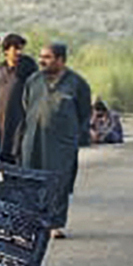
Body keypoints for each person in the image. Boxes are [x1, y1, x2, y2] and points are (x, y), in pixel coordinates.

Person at [20, 41, 92, 238]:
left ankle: (55, 224)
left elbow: (84, 113)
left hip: (62, 143)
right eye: (41, 57)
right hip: (33, 140)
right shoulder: (33, 80)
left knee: (59, 183)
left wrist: (77, 138)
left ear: (61, 60)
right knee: (32, 181)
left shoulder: (77, 83)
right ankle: (34, 222)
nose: (42, 61)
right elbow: (26, 105)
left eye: (47, 57)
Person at [0, 33, 36, 164]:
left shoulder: (27, 69)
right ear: (6, 50)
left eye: (21, 49)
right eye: (15, 49)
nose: (19, 52)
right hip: (0, 122)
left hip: (20, 121)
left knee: (18, 156)